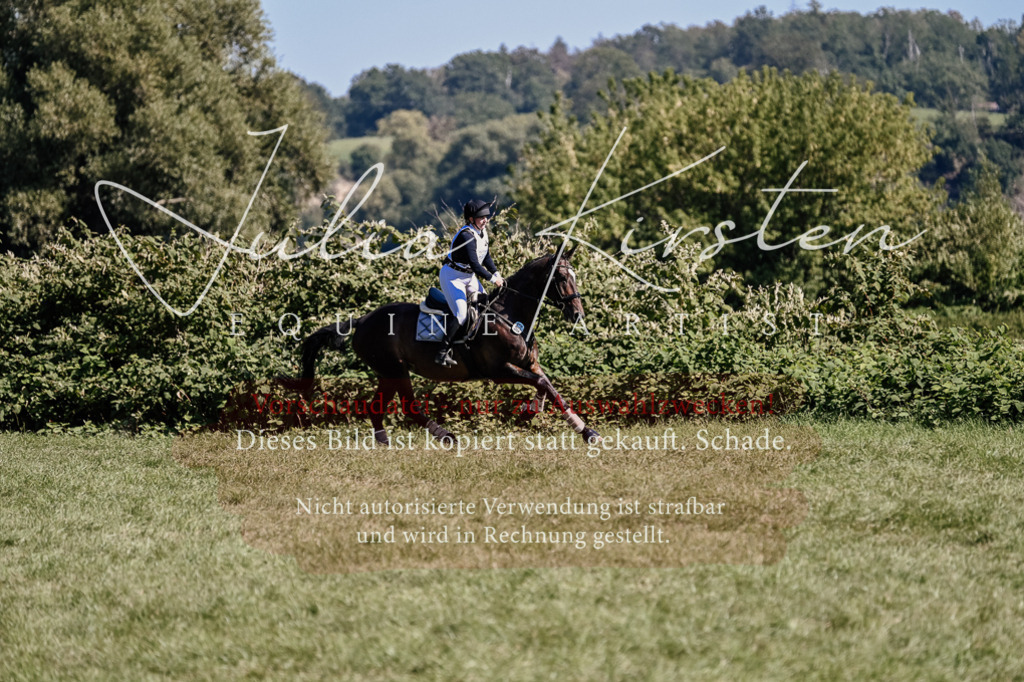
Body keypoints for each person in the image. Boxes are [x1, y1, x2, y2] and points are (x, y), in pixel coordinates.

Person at [435, 199, 506, 366]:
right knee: (461, 314)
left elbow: (486, 257)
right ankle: (442, 351)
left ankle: (476, 344)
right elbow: (475, 264)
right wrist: (493, 279)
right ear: (471, 219)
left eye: (486, 217)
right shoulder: (466, 235)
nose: (485, 220)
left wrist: (496, 273)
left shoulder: (481, 231)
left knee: (486, 305)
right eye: (481, 217)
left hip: (468, 276)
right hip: (452, 277)